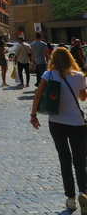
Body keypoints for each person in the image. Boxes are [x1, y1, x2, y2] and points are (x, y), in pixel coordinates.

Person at [30, 47, 87, 213]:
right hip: (77, 123)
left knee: (65, 159)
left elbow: (38, 95)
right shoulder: (78, 76)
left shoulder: (49, 75)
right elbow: (83, 98)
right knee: (80, 160)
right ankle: (83, 193)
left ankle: (70, 199)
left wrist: (33, 115)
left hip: (57, 122)